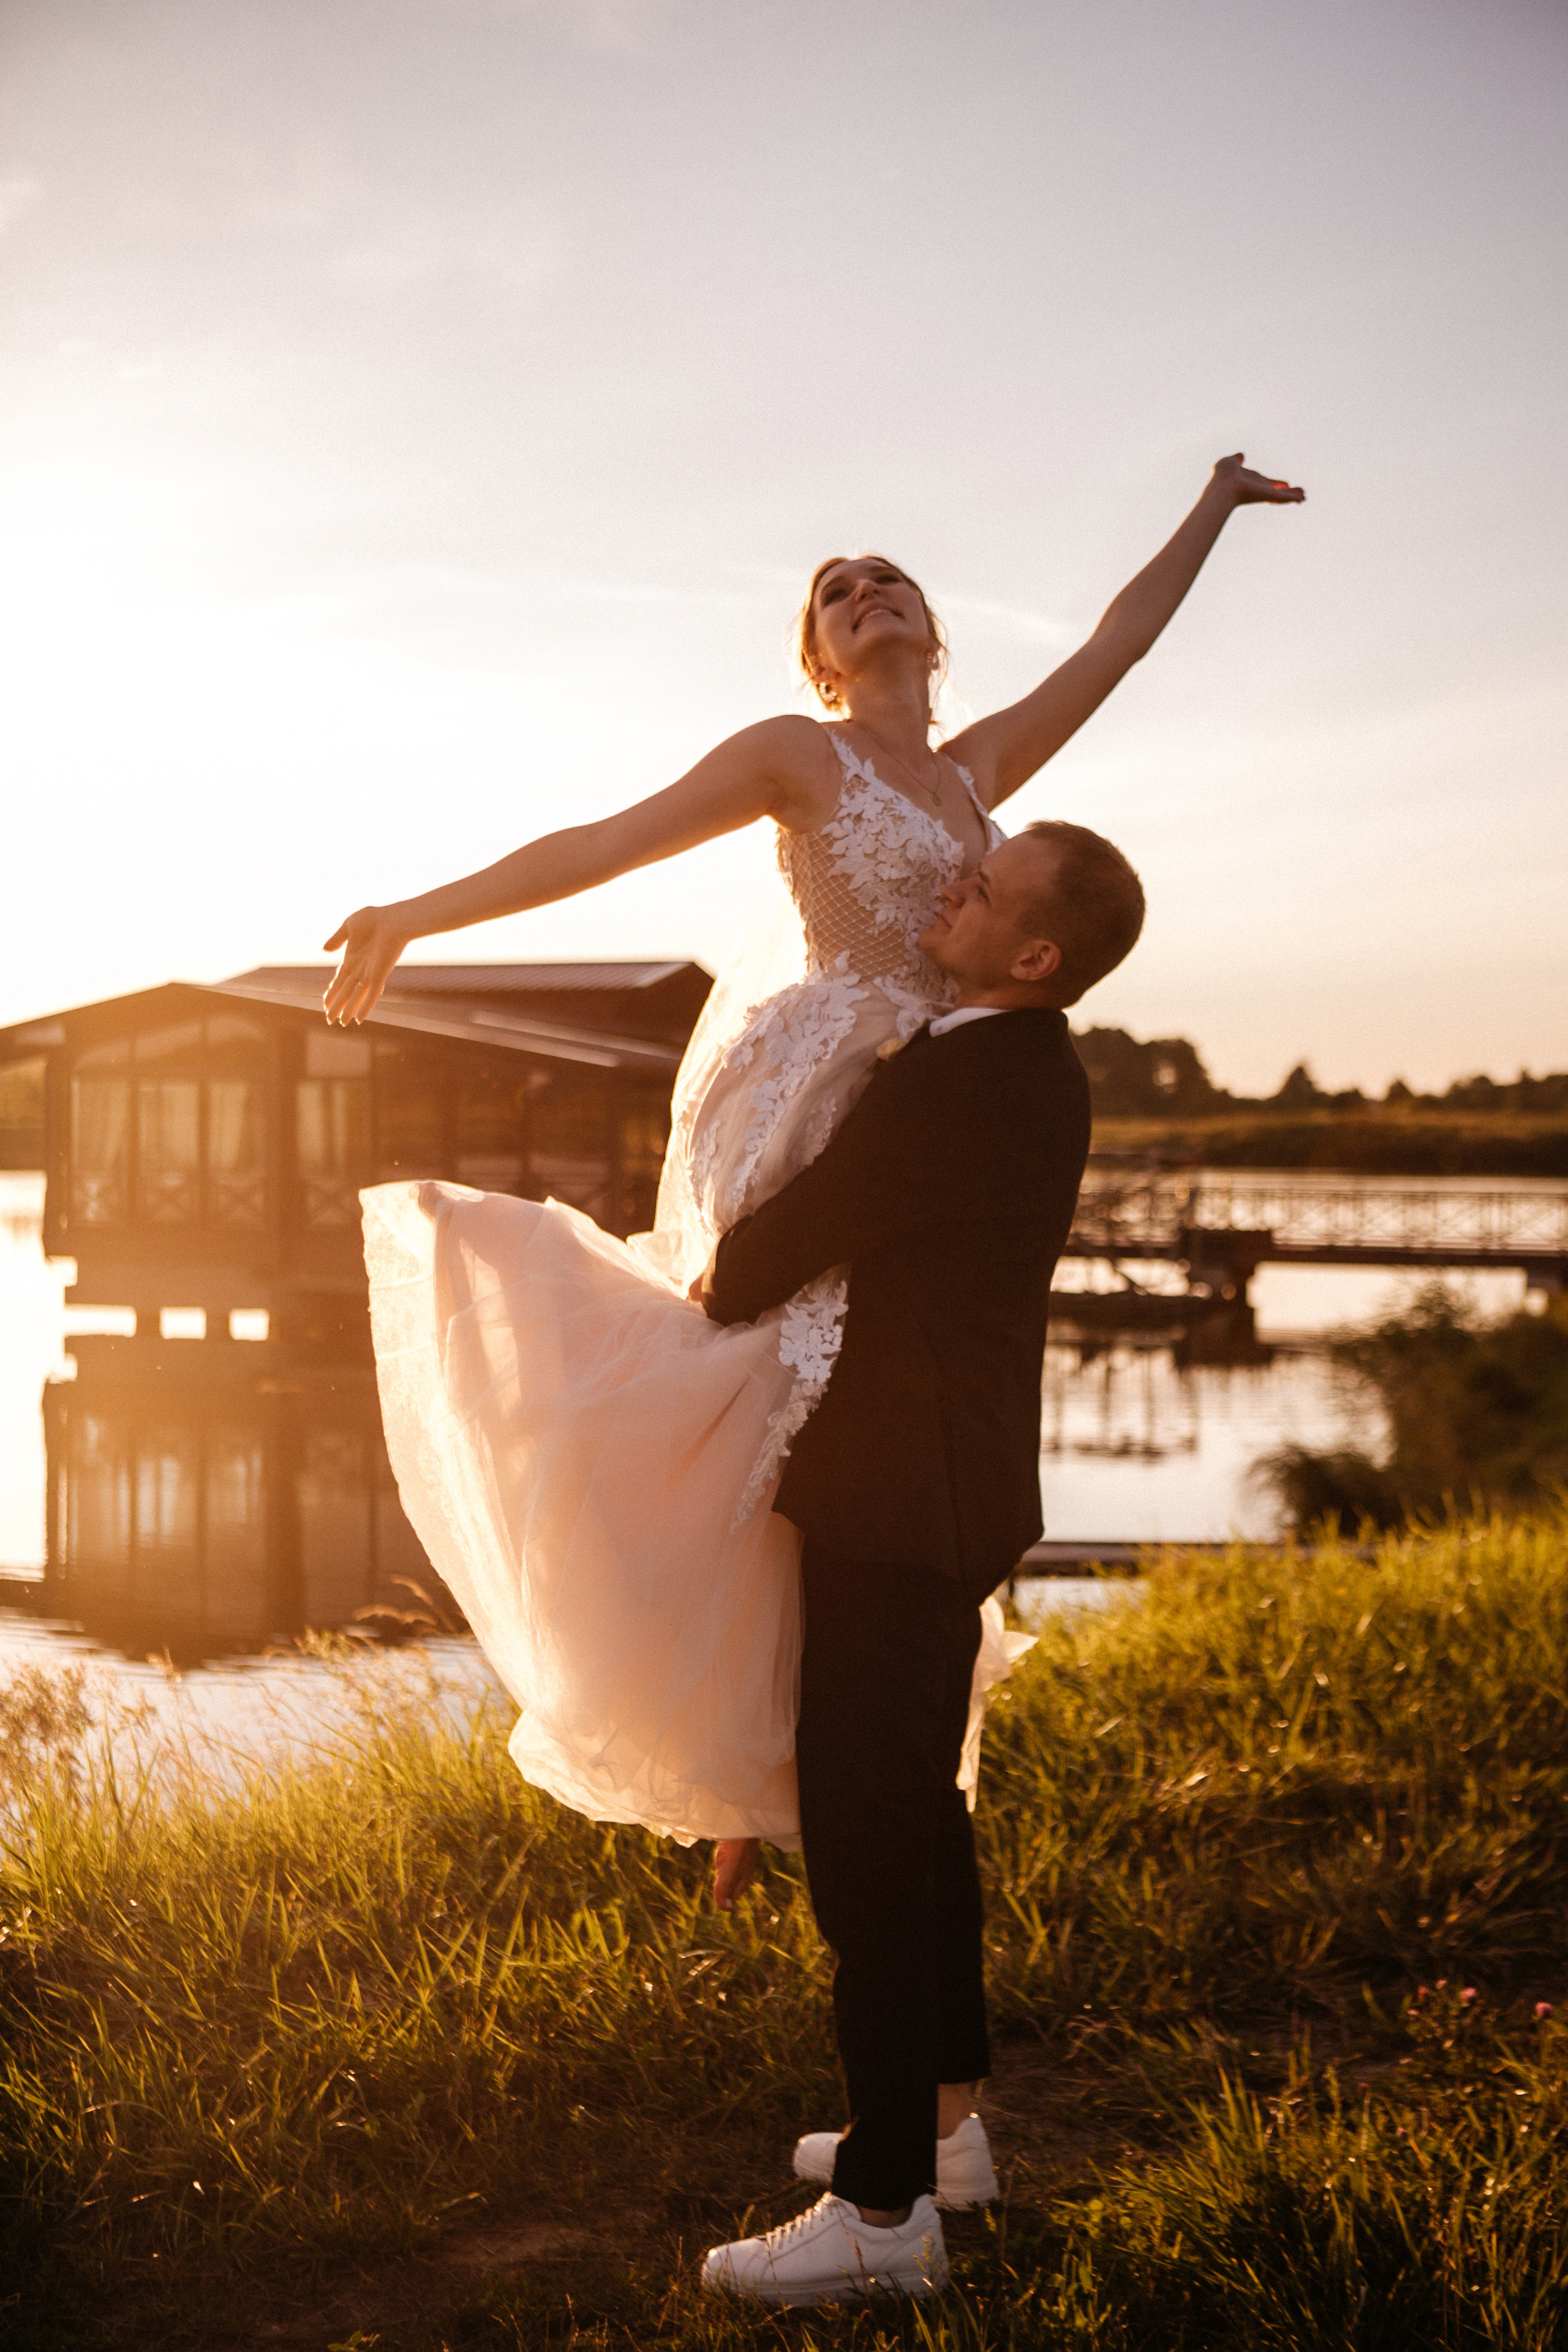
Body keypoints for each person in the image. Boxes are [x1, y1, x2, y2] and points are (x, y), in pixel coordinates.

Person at [332, 453, 1302, 1871]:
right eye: (833, 594)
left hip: (928, 1102)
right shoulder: (800, 753)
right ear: (818, 654)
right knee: (765, 1401)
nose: (863, 594)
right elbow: (609, 841)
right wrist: (419, 913)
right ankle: (753, 1758)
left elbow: (1120, 640)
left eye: (884, 579)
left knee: (858, 1436)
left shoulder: (980, 774)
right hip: (817, 1095)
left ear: (929, 627)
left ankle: (777, 1756)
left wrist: (1211, 504)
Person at [696, 818, 1135, 2306]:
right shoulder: (1016, 1065)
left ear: (1032, 955)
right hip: (948, 1487)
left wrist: (718, 1267)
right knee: (925, 1825)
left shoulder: (960, 1081)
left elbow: (770, 1252)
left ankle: (885, 2219)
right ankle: (945, 2140)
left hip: (896, 1498)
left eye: (981, 890)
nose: (948, 884)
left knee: (870, 1848)